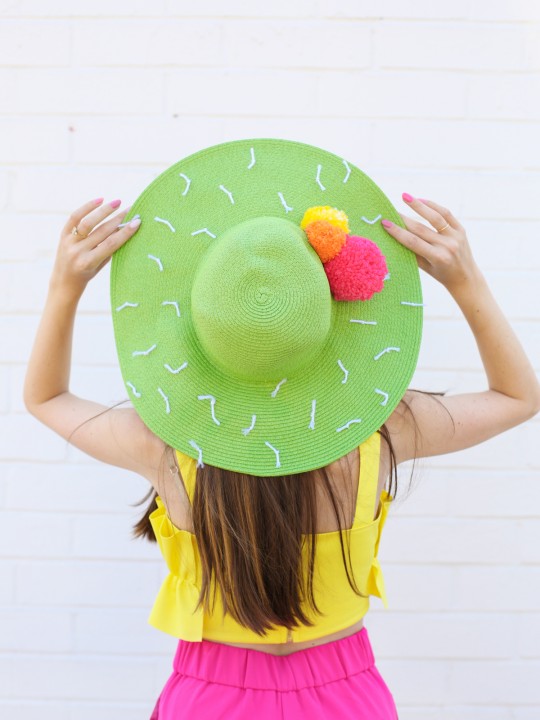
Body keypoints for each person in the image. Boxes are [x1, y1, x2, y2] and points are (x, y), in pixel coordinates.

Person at [24, 139, 540, 719]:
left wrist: (64, 289)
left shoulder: (162, 445)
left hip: (208, 697)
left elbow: (44, 398)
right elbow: (517, 397)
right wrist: (466, 281)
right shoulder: (377, 427)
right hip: (346, 694)